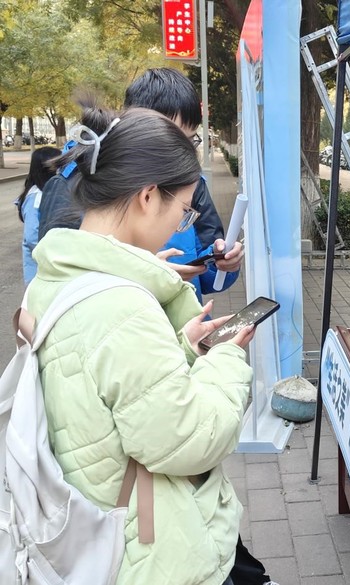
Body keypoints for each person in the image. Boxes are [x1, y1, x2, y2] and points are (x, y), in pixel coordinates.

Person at [26, 103, 254, 585]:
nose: (181, 223)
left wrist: (182, 348)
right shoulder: (122, 307)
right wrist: (227, 357)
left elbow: (105, 389)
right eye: (183, 209)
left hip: (96, 518)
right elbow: (191, 438)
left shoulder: (55, 276)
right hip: (149, 553)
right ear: (148, 196)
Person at [37, 67, 242, 301]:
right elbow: (55, 283)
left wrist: (223, 263)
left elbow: (209, 271)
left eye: (189, 141)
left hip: (183, 322)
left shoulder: (191, 185)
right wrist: (147, 274)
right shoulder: (76, 182)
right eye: (171, 137)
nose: (182, 153)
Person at [15, 146, 60, 284]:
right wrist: (54, 255)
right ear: (47, 169)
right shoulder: (36, 197)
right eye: (59, 166)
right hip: (39, 271)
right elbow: (32, 237)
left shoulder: (48, 192)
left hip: (47, 269)